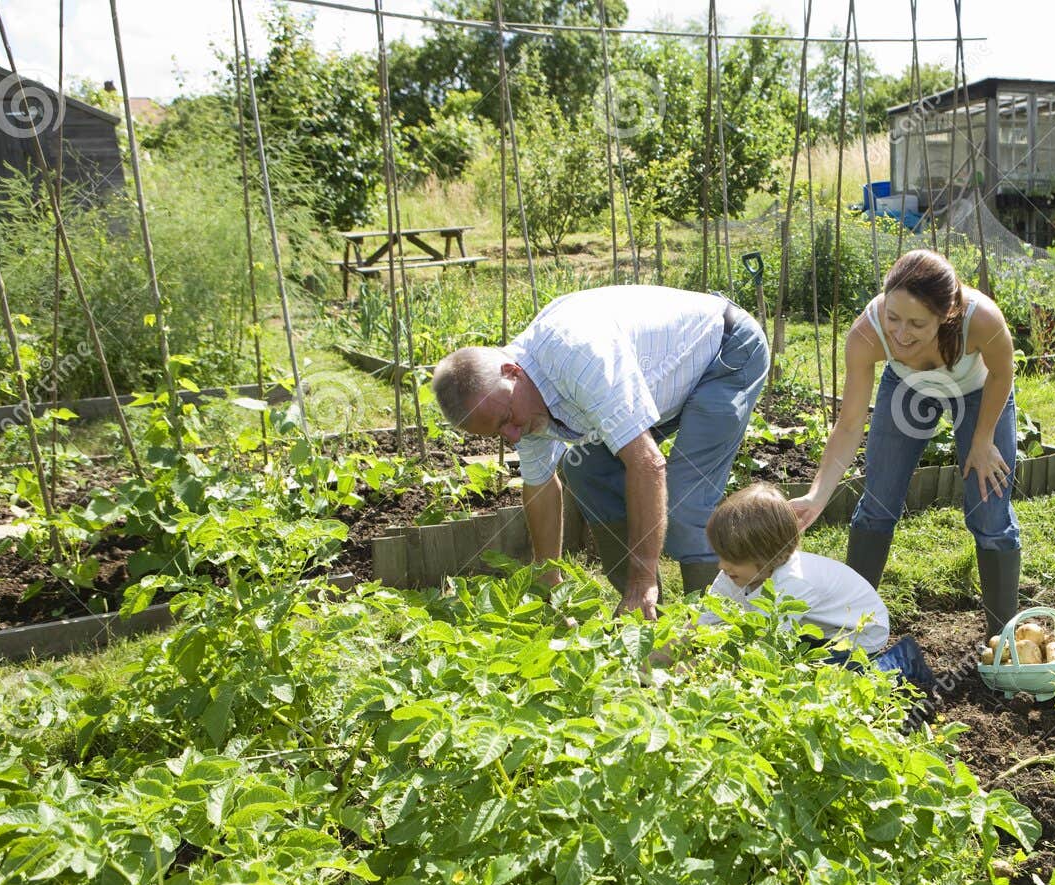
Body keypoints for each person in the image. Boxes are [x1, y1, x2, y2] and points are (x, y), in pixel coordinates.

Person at [431, 284, 769, 619]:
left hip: (724, 352)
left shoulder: (578, 358)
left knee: (685, 498)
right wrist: (549, 581)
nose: (514, 435)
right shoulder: (516, 403)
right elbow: (540, 486)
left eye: (507, 420)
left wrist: (644, 576)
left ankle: (712, 627)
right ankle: (644, 617)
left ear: (512, 372)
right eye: (499, 433)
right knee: (586, 467)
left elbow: (647, 464)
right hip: (661, 381)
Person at [790, 249, 1021, 637]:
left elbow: (1002, 372)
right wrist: (816, 495)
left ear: (947, 314)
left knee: (989, 510)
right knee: (878, 502)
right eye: (892, 317)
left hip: (978, 391)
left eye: (916, 323)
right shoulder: (867, 334)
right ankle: (852, 627)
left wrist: (982, 441)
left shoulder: (981, 319)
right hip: (908, 388)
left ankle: (1004, 641)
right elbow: (848, 427)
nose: (899, 332)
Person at [700, 483, 933, 687]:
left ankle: (898, 662)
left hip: (859, 632)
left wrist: (707, 673)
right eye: (721, 556)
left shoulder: (793, 584)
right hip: (816, 628)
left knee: (825, 684)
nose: (722, 565)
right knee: (794, 663)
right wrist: (666, 659)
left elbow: (763, 650)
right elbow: (701, 624)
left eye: (732, 560)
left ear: (769, 558)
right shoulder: (734, 574)